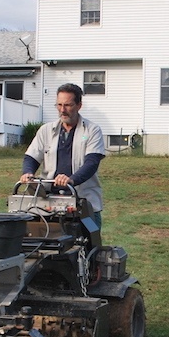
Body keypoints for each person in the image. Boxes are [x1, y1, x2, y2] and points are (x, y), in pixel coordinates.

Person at [20, 83, 106, 230]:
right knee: (45, 237)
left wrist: (71, 180)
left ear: (79, 105)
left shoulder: (92, 130)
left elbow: (92, 163)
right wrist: (28, 172)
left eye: (68, 105)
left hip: (84, 203)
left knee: (92, 235)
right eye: (59, 105)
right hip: (48, 202)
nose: (62, 110)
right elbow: (31, 157)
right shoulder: (46, 130)